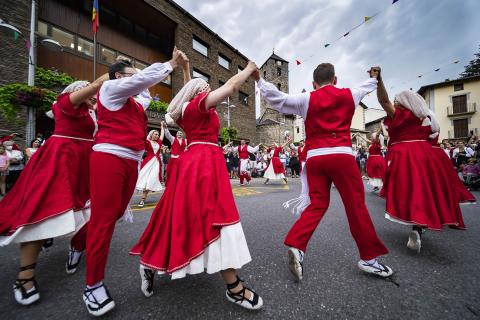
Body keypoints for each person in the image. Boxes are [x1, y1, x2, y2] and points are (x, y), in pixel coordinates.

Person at [130, 62, 263, 311]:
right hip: (202, 164)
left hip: (202, 163)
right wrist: (248, 69)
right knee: (213, 217)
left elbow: (190, 88)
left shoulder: (189, 108)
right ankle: (233, 286)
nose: (209, 88)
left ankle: (151, 263)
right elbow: (232, 86)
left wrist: (187, 69)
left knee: (186, 217)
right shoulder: (198, 105)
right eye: (206, 86)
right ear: (199, 92)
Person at [255, 63, 392, 281]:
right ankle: (368, 259)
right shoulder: (349, 94)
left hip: (316, 157)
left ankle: (297, 245)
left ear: (313, 84)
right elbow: (369, 86)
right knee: (355, 206)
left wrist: (259, 80)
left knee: (317, 203)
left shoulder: (307, 98)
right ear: (335, 80)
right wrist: (376, 76)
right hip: (342, 155)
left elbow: (278, 99)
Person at [82, 49, 189, 316]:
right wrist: (171, 64)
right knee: (104, 220)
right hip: (109, 157)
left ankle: (77, 242)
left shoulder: (135, 101)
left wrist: (145, 74)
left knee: (115, 213)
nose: (137, 77)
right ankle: (92, 284)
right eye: (131, 73)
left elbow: (143, 93)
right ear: (119, 76)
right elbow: (140, 82)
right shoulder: (109, 90)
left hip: (131, 161)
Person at [0, 76, 108, 306]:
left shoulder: (92, 112)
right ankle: (25, 276)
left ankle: (72, 247)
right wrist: (100, 82)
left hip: (83, 165)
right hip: (58, 163)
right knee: (39, 217)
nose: (91, 97)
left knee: (84, 214)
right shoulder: (64, 103)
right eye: (87, 92)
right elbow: (83, 93)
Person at [376, 68, 467, 253]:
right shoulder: (423, 117)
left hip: (405, 155)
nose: (393, 103)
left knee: (411, 192)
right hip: (427, 154)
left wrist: (379, 80)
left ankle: (417, 224)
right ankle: (420, 226)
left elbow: (383, 100)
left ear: (403, 103)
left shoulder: (401, 114)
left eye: (396, 101)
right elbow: (432, 134)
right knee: (425, 190)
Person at [136, 126, 165, 208]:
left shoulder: (159, 142)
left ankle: (143, 198)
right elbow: (142, 137)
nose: (157, 136)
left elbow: (162, 135)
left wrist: (162, 127)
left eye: (158, 134)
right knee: (145, 180)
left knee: (151, 179)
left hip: (156, 163)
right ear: (151, 135)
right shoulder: (147, 142)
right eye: (155, 134)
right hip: (148, 163)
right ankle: (142, 199)